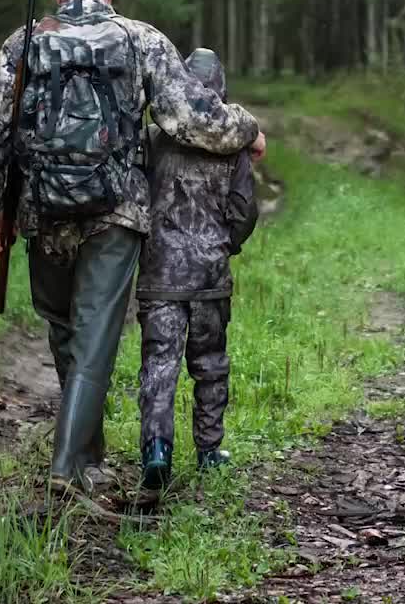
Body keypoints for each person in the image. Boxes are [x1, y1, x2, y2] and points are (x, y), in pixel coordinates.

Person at [0, 0, 265, 494]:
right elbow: (192, 119)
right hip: (116, 211)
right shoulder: (140, 40)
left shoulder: (23, 43)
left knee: (63, 331)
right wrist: (248, 130)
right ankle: (69, 466)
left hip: (43, 210)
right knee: (95, 336)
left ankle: (85, 458)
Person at [135, 48, 259, 492]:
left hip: (159, 275)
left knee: (159, 365)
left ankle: (156, 451)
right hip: (210, 277)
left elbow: (133, 196)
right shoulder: (233, 145)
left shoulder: (153, 141)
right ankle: (208, 450)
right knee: (210, 364)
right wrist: (225, 245)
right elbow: (244, 210)